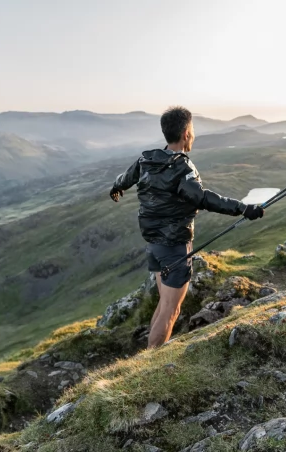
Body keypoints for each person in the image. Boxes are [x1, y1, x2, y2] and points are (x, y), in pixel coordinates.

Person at [110, 106, 264, 348]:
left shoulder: (147, 159)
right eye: (192, 130)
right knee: (171, 310)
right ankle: (150, 365)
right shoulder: (182, 167)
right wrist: (243, 208)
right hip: (174, 248)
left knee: (164, 304)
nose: (193, 134)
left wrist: (116, 187)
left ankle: (148, 358)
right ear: (186, 133)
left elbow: (126, 178)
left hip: (154, 245)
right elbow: (202, 198)